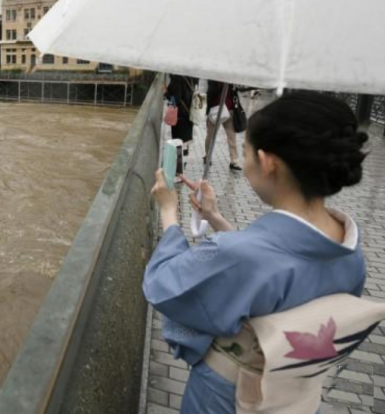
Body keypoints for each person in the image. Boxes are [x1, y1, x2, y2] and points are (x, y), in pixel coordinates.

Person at [144, 91, 368, 414]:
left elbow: (166, 284)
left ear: (267, 163)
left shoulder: (242, 255)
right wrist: (215, 218)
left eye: (246, 151)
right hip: (299, 399)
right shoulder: (349, 249)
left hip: (227, 398)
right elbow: (271, 266)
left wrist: (168, 211)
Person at [206, 80, 241, 171]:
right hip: (216, 110)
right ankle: (207, 155)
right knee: (210, 135)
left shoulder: (231, 78)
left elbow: (235, 92)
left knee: (232, 136)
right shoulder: (214, 79)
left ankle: (234, 160)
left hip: (229, 110)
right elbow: (210, 93)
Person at [165, 75, 198, 161]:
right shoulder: (191, 77)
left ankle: (179, 167)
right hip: (188, 113)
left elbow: (176, 99)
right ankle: (182, 164)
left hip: (179, 116)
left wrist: (167, 93)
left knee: (178, 143)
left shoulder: (177, 78)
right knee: (185, 143)